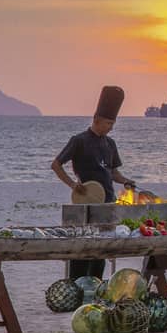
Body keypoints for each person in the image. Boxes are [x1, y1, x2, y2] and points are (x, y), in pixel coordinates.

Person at [52, 85, 136, 279]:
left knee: (102, 249)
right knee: (82, 247)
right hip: (86, 201)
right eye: (108, 123)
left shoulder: (110, 144)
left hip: (108, 203)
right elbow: (56, 165)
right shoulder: (79, 141)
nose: (111, 128)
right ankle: (76, 284)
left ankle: (95, 285)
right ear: (96, 120)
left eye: (113, 124)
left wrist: (125, 181)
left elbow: (113, 171)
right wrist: (73, 185)